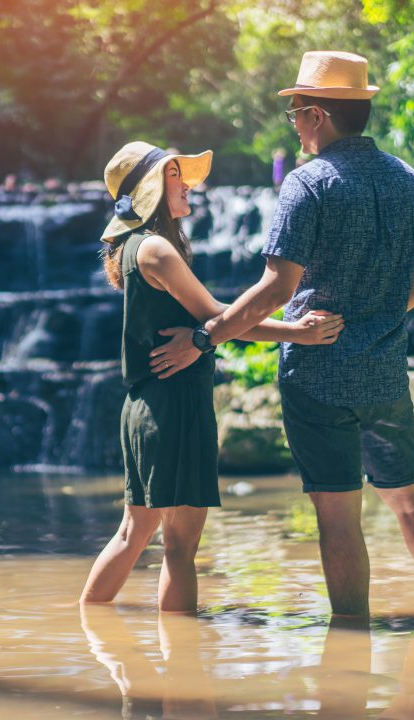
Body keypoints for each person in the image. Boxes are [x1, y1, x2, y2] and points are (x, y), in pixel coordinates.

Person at [148, 51, 414, 617]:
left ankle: (350, 639)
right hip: (385, 372)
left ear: (318, 116)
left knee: (338, 516)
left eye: (295, 112)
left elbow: (274, 291)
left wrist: (205, 337)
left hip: (317, 378)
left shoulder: (307, 185)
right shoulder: (409, 182)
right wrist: (374, 319)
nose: (292, 123)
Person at [79, 141, 345, 613]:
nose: (187, 185)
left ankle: (92, 631)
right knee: (180, 551)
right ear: (151, 190)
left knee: (131, 534)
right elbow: (222, 319)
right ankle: (182, 679)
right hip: (176, 407)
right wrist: (297, 333)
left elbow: (210, 324)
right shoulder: (158, 249)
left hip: (142, 409)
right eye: (175, 176)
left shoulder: (132, 249)